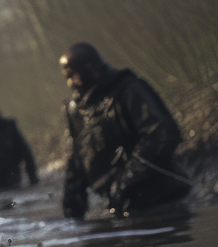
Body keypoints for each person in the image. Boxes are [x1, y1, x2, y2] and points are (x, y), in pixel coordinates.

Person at [60, 42, 191, 218]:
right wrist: (72, 204)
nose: (71, 83)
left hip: (159, 198)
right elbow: (77, 157)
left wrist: (124, 181)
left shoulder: (128, 89)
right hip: (120, 205)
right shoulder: (75, 110)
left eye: (74, 76)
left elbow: (162, 135)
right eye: (67, 76)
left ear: (89, 69)